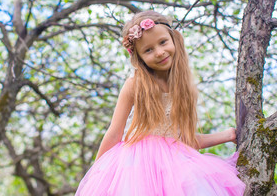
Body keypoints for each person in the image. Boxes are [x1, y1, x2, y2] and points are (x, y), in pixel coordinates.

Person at [75, 11, 245, 195]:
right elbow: (114, 133)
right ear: (139, 58)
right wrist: (97, 175)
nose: (159, 52)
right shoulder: (135, 85)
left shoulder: (183, 88)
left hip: (176, 166)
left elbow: (187, 140)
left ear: (174, 39)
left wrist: (227, 135)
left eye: (163, 42)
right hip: (135, 168)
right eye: (148, 50)